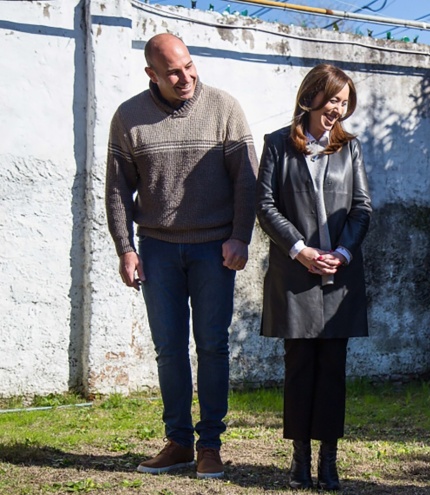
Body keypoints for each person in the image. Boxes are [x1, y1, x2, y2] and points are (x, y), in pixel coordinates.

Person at [104, 33, 257, 479]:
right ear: (151, 74)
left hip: (215, 249)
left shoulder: (224, 108)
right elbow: (117, 189)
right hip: (158, 249)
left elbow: (246, 181)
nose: (185, 76)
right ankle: (178, 442)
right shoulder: (129, 117)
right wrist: (125, 247)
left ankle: (210, 444)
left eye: (189, 65)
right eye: (172, 71)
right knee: (169, 350)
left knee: (212, 346)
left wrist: (240, 236)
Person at [255, 64, 372, 492]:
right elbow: (265, 206)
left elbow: (362, 208)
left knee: (333, 369)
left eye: (344, 102)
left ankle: (328, 459)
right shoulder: (276, 146)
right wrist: (301, 251)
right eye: (333, 100)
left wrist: (341, 253)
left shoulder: (350, 148)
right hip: (295, 274)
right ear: (311, 98)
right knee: (300, 367)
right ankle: (299, 458)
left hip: (339, 278)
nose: (338, 110)